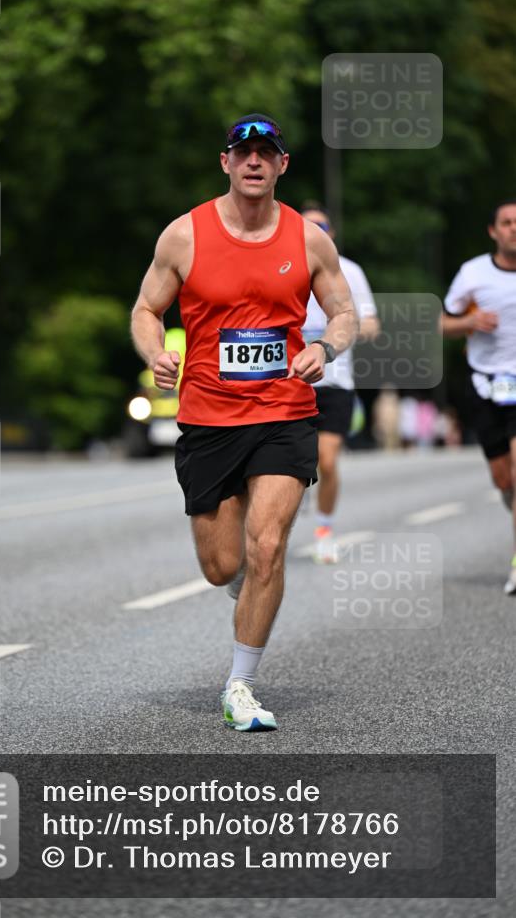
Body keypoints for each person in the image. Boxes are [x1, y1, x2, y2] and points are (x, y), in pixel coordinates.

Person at [131, 115, 357, 730]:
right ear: (226, 163)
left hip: (285, 412)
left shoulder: (309, 240)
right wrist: (155, 351)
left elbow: (344, 313)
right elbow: (147, 309)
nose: (255, 161)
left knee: (267, 547)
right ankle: (246, 587)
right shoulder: (184, 236)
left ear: (282, 165)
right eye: (244, 152)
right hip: (208, 417)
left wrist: (325, 350)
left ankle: (240, 685)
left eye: (267, 153)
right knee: (222, 565)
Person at [441, 199, 516, 595]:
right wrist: (469, 322)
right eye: (506, 222)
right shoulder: (473, 273)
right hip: (486, 383)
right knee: (504, 478)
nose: (514, 228)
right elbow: (442, 322)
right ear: (493, 231)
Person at [300, 203, 379, 563]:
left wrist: (340, 330)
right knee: (283, 464)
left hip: (335, 381)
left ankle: (324, 530)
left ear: (331, 234)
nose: (315, 233)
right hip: (289, 382)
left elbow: (371, 324)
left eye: (322, 227)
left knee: (327, 462)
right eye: (307, 227)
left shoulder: (349, 271)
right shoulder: (281, 268)